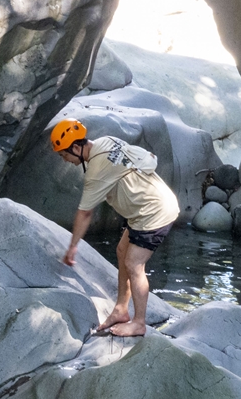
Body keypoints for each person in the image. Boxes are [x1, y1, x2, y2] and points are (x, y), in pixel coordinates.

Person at [51, 119, 179, 337]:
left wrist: (72, 247)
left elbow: (85, 212)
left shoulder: (97, 169)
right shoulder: (105, 141)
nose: (66, 161)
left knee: (134, 264)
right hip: (142, 210)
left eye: (65, 155)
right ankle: (121, 309)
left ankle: (139, 323)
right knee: (122, 251)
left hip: (154, 212)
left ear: (75, 148)